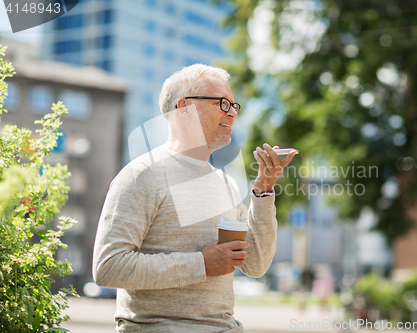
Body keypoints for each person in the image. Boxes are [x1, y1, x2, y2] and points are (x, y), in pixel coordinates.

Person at [92, 64, 297, 333]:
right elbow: (108, 267)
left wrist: (263, 191)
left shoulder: (227, 184)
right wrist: (200, 263)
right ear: (183, 107)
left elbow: (255, 264)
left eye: (235, 106)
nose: (232, 114)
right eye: (223, 104)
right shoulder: (141, 175)